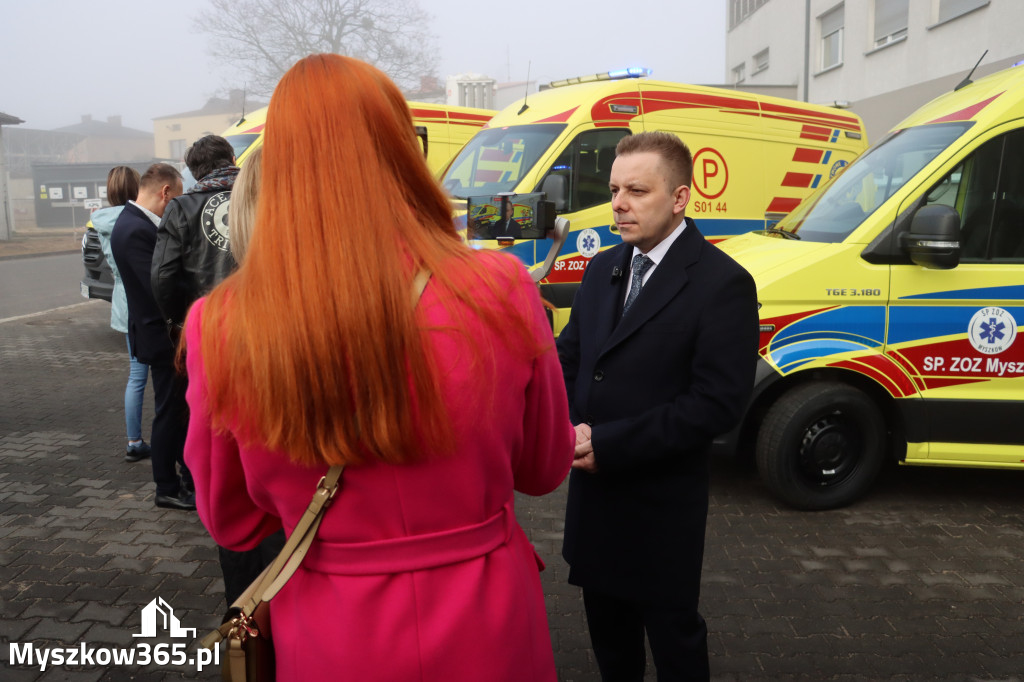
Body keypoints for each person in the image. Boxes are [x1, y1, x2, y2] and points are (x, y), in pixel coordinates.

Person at [183, 54, 574, 681]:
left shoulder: (223, 322)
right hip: (488, 622)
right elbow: (544, 467)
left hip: (332, 633)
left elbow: (232, 518)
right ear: (401, 150)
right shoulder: (501, 286)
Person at [557, 131, 759, 681]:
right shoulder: (602, 268)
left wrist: (610, 444)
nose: (619, 204)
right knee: (610, 644)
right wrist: (565, 424)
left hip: (660, 508)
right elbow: (570, 358)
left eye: (637, 191)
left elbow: (716, 403)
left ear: (679, 198)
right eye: (614, 190)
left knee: (675, 644)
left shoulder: (723, 284)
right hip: (595, 502)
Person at [110, 163, 195, 511]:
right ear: (166, 192)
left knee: (177, 410)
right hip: (160, 336)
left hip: (160, 332)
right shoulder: (135, 229)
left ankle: (184, 478)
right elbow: (158, 287)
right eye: (177, 198)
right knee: (169, 413)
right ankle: (167, 487)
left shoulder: (136, 223)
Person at [151, 134, 239, 336]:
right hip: (258, 318)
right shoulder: (262, 196)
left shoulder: (180, 207)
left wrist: (177, 321)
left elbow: (162, 275)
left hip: (204, 322)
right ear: (233, 160)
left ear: (194, 172)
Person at [92, 166, 152, 463]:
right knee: (165, 374)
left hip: (122, 302)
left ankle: (133, 440)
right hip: (144, 300)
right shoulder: (137, 221)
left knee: (136, 375)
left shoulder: (101, 220)